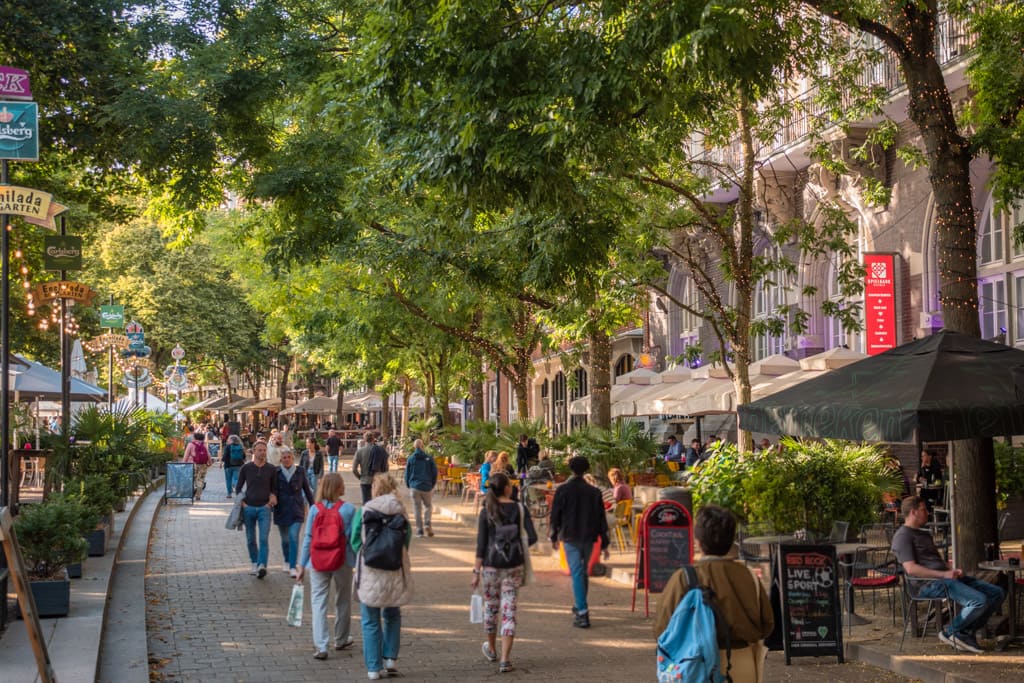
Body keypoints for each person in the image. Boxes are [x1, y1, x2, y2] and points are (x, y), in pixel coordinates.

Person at [653, 505, 774, 682]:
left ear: (698, 541)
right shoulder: (749, 576)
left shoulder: (684, 578)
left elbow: (662, 629)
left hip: (695, 666)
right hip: (743, 663)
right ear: (732, 539)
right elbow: (767, 625)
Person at [892, 496, 1004, 653]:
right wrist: (943, 574)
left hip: (944, 578)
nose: (928, 513)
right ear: (913, 512)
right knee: (978, 600)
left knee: (996, 593)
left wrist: (951, 569)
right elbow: (911, 569)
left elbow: (936, 560)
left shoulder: (923, 533)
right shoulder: (903, 536)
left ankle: (965, 633)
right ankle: (951, 632)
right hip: (926, 584)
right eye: (924, 510)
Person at [472, 472, 538, 674]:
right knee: (509, 610)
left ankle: (491, 648)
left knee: (491, 608)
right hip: (513, 567)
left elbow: (481, 544)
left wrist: (476, 571)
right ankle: (505, 659)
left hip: (490, 567)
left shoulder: (486, 510)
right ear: (508, 488)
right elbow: (533, 537)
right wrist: (517, 544)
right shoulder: (519, 508)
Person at [350, 474, 413, 680]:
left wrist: (367, 553)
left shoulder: (365, 510)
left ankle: (373, 668)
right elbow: (407, 539)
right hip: (394, 567)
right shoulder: (401, 511)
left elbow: (354, 539)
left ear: (375, 489)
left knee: (370, 619)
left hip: (370, 569)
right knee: (393, 613)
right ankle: (390, 659)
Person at [297, 473, 357, 660]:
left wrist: (301, 563)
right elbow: (353, 538)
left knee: (318, 602)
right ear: (339, 488)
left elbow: (308, 537)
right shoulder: (348, 509)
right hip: (343, 560)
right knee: (343, 599)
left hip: (317, 561)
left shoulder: (315, 509)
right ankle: (340, 639)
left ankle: (321, 646)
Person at [549, 455, 610, 628]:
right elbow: (601, 518)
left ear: (570, 469)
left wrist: (554, 535)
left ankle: (582, 611)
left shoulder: (563, 490)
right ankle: (579, 605)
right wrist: (604, 542)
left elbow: (556, 515)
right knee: (582, 572)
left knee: (577, 571)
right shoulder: (594, 492)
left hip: (570, 536)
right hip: (589, 536)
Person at [235, 441, 278, 578]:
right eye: (259, 450)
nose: (262, 452)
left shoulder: (271, 469)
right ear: (253, 451)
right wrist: (243, 504)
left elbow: (275, 488)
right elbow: (238, 488)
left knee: (264, 539)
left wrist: (272, 498)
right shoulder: (246, 468)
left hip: (264, 508)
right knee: (250, 539)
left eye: (264, 450)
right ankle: (254, 562)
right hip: (249, 508)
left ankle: (262, 565)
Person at [275, 447, 315, 577]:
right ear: (281, 459)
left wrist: (313, 506)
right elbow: (272, 491)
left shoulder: (300, 471)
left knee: (293, 537)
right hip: (281, 509)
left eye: (289, 457)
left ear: (293, 459)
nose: (287, 460)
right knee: (285, 539)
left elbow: (307, 490)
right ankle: (286, 561)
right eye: (284, 458)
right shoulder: (276, 472)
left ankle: (293, 566)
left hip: (296, 509)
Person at [404, 438, 438, 538]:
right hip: (427, 486)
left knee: (417, 508)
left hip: (414, 487)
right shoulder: (429, 458)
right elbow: (434, 472)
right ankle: (427, 523)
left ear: (414, 447)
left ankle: (419, 531)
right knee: (428, 506)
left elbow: (407, 474)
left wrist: (408, 485)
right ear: (422, 446)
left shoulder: (411, 458)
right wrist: (432, 484)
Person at [352, 431, 390, 503]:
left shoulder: (360, 451)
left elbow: (354, 469)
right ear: (373, 439)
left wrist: (360, 477)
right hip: (378, 480)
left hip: (365, 480)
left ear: (364, 440)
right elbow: (386, 466)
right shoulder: (380, 450)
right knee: (378, 503)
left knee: (366, 503)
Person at [182, 432, 211, 501]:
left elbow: (186, 455)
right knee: (200, 479)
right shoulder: (204, 444)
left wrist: (184, 463)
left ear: (194, 438)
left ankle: (194, 489)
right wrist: (209, 462)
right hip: (203, 465)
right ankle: (198, 495)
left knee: (192, 478)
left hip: (192, 464)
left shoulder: (191, 444)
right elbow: (208, 454)